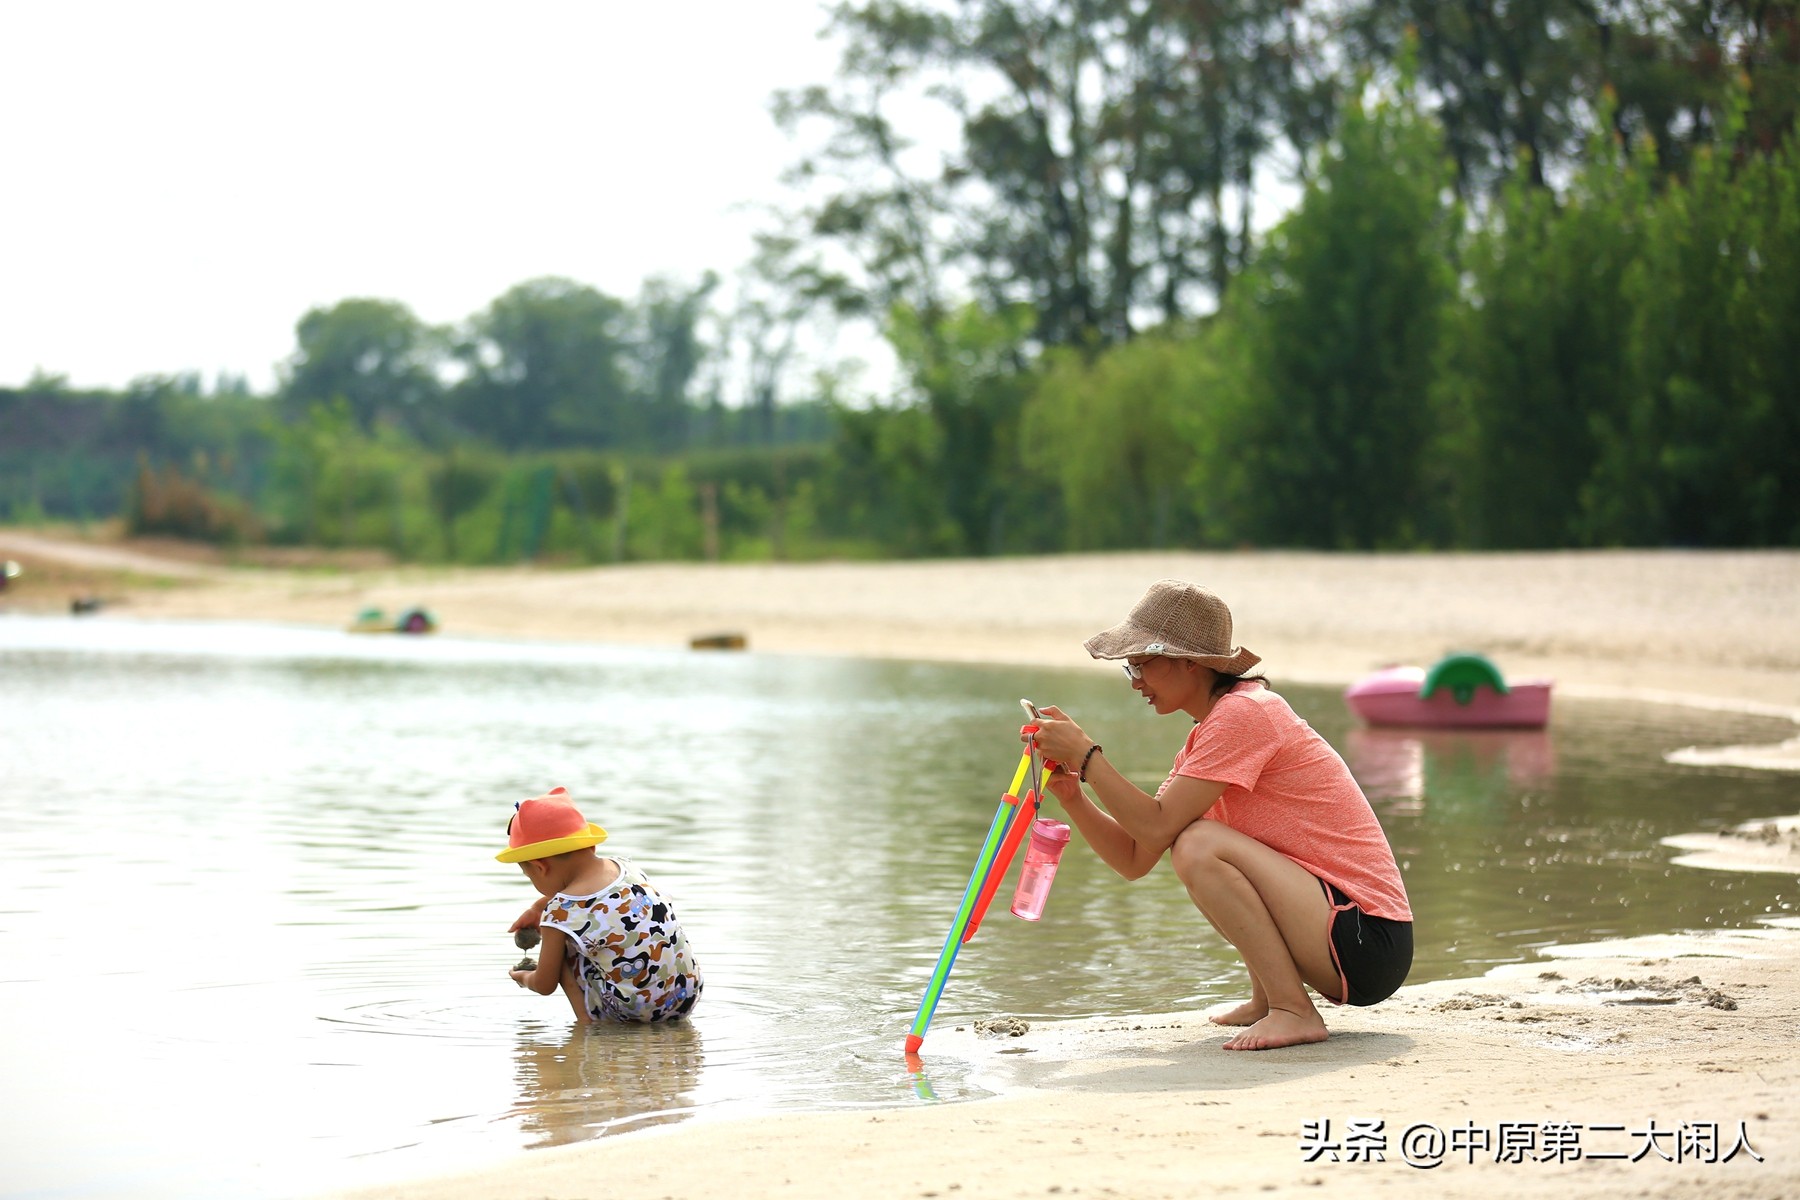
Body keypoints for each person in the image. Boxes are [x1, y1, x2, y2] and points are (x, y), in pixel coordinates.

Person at [1027, 579, 1412, 1051]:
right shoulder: (1209, 733)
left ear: (1190, 662)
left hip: (1367, 938)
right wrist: (1074, 795)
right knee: (1198, 839)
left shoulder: (1246, 713)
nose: (1136, 682)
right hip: (1340, 931)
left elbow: (1157, 827)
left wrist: (1088, 755)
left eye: (1142, 665)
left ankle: (1293, 1009)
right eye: (1131, 669)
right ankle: (1270, 998)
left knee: (1199, 844)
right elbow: (1135, 856)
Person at [499, 786, 702, 1024]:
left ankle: (588, 1022)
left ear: (541, 867)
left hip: (633, 1012)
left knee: (565, 940)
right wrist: (537, 908)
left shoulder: (558, 914)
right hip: (687, 994)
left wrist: (523, 976)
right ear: (590, 846)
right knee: (582, 930)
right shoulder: (625, 868)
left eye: (529, 875)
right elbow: (593, 899)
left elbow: (545, 985)